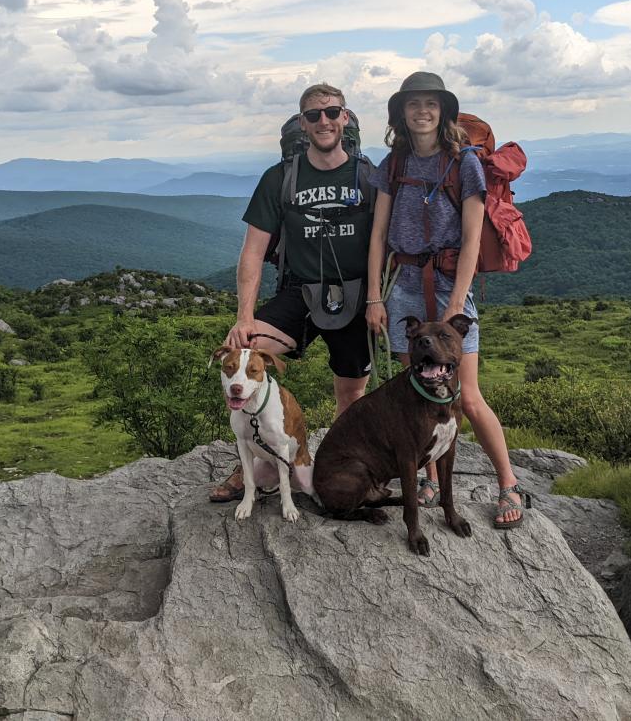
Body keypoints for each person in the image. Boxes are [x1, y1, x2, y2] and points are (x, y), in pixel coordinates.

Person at [365, 71, 527, 528]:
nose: (422, 111)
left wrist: (457, 303)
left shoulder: (463, 164)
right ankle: (431, 478)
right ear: (400, 113)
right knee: (417, 391)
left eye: (430, 104)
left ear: (443, 111)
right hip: (404, 288)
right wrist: (375, 298)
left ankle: (508, 484)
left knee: (468, 397)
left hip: (447, 286)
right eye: (413, 104)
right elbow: (378, 236)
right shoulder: (392, 164)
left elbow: (473, 239)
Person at [209, 83, 373, 502]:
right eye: (315, 115)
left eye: (332, 113)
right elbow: (252, 252)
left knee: (352, 393)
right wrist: (244, 317)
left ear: (345, 118)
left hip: (357, 294)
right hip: (299, 291)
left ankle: (340, 465)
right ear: (302, 123)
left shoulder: (370, 177)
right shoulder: (280, 178)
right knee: (248, 353)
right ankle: (261, 460)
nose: (324, 121)